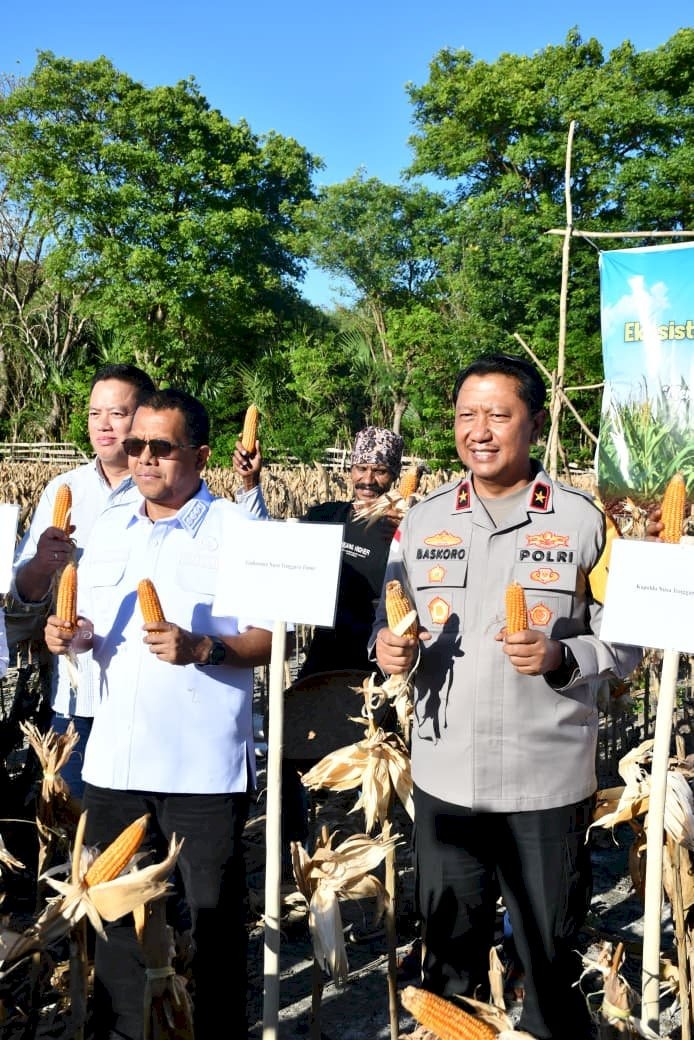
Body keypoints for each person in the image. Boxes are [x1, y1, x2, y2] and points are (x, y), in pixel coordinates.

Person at [372, 353, 642, 1040]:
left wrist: (562, 655)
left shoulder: (585, 524)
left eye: (499, 414)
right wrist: (388, 649)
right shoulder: (420, 523)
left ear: (536, 422)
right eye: (467, 415)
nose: (480, 430)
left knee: (548, 968)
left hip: (544, 786)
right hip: (445, 782)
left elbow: (629, 647)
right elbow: (389, 623)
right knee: (449, 972)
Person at [44, 388, 273, 1040]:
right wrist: (73, 637)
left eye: (160, 447)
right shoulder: (110, 526)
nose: (142, 457)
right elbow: (92, 630)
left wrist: (205, 646)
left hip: (201, 771)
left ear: (199, 454)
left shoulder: (239, 530)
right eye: (135, 444)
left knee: (212, 927)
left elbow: (266, 639)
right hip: (114, 762)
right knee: (114, 919)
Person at [233, 425, 404, 849]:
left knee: (383, 767)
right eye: (360, 467)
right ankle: (293, 849)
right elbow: (270, 551)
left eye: (380, 470)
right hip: (325, 660)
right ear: (349, 468)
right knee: (287, 753)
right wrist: (251, 484)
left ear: (395, 473)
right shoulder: (326, 517)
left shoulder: (404, 528)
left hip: (380, 670)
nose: (367, 479)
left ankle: (378, 848)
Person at [11, 363, 156, 797]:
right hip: (75, 692)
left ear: (143, 416)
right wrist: (40, 563)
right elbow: (27, 596)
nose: (104, 425)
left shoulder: (165, 490)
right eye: (95, 413)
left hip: (143, 695)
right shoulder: (63, 488)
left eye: (117, 412)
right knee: (71, 821)